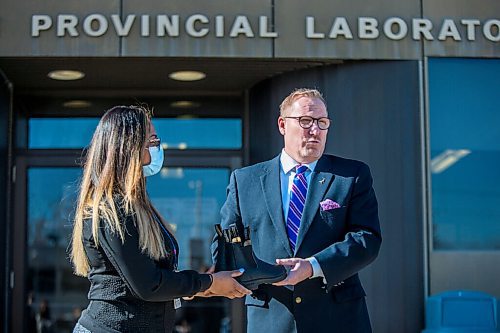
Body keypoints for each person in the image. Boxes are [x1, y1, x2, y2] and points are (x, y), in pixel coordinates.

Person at [70, 105, 250, 333]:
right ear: (130, 147)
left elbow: (158, 279)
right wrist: (209, 283)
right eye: (152, 140)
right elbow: (149, 285)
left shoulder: (138, 205)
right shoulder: (112, 209)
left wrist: (202, 285)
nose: (158, 147)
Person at [215, 89, 382, 333]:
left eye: (322, 123)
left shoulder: (351, 175)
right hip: (271, 317)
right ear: (282, 124)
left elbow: (366, 239)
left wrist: (312, 266)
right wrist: (233, 276)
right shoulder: (245, 180)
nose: (315, 130)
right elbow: (226, 243)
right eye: (305, 121)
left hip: (336, 318)